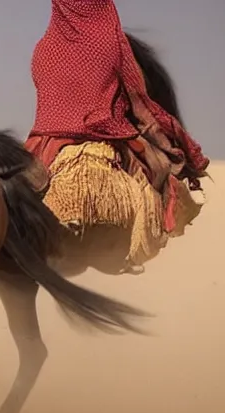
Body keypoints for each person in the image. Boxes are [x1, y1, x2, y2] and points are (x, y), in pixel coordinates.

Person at [26, 0, 210, 270]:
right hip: (101, 140)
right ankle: (130, 255)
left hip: (43, 146)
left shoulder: (42, 49)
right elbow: (141, 102)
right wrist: (187, 150)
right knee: (156, 176)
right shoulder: (110, 43)